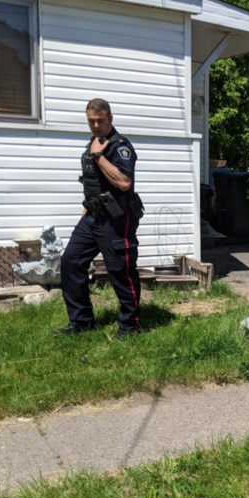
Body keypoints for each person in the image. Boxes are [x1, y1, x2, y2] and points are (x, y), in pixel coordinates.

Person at [57, 98, 145, 338]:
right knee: (71, 262)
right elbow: (93, 181)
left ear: (110, 118)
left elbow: (124, 182)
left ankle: (130, 325)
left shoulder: (120, 146)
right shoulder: (94, 143)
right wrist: (87, 206)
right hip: (92, 217)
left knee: (121, 270)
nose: (95, 125)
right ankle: (81, 321)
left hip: (116, 220)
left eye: (100, 120)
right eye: (91, 121)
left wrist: (98, 157)